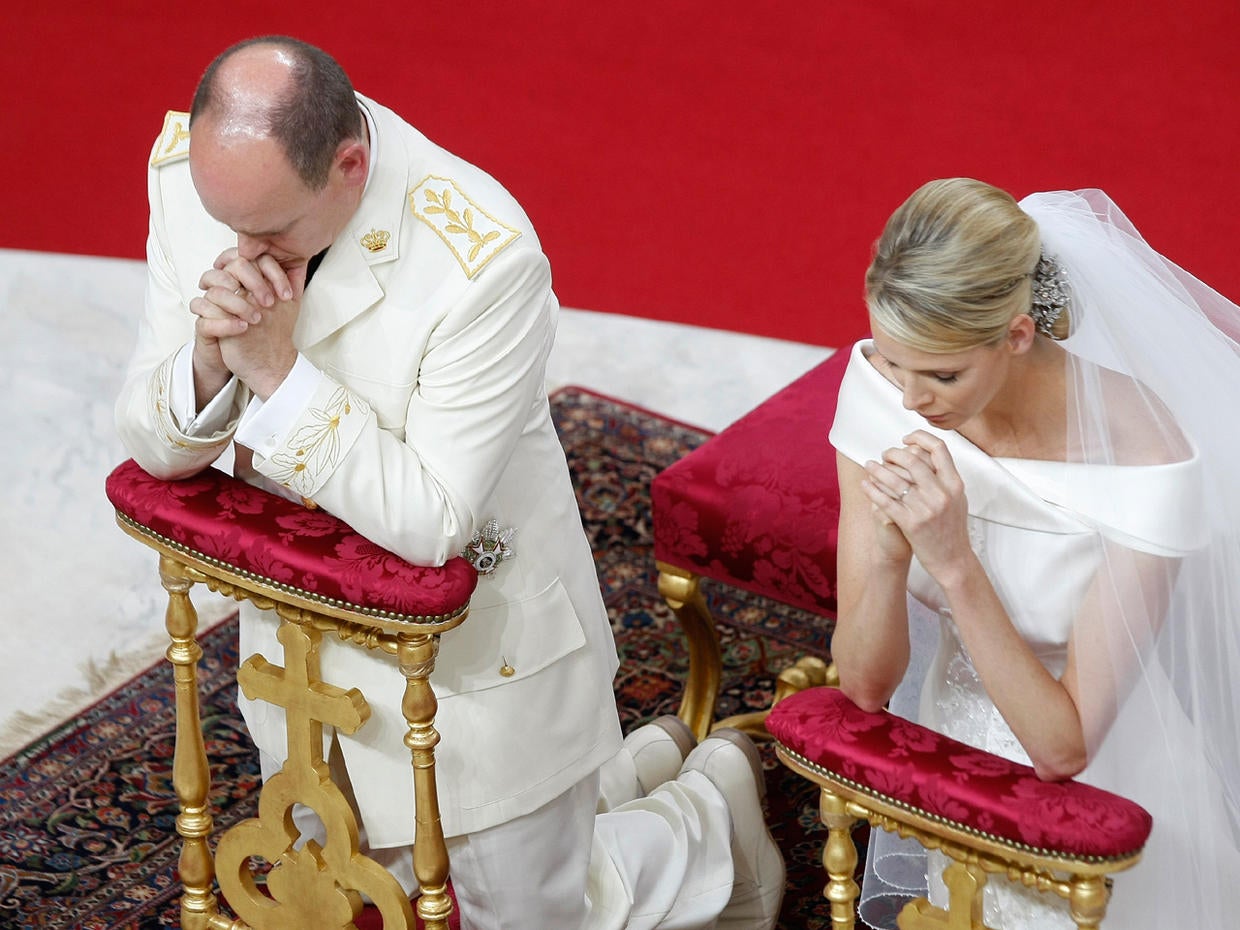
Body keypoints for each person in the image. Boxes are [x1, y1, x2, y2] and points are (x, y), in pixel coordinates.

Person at [115, 35, 783, 930]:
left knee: (529, 916)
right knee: (356, 879)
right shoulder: (198, 181)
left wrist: (276, 379)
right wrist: (205, 359)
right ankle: (629, 776)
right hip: (302, 635)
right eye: (224, 221)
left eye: (269, 233)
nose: (238, 250)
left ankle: (712, 819)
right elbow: (154, 442)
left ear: (350, 166)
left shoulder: (484, 260)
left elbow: (432, 519)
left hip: (480, 653)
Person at [828, 178, 1240, 928]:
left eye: (943, 375)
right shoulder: (883, 394)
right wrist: (889, 555)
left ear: (1017, 335)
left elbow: (1063, 747)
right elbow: (861, 685)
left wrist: (954, 564)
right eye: (895, 363)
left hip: (1095, 787)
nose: (911, 401)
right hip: (948, 749)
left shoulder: (1144, 457)